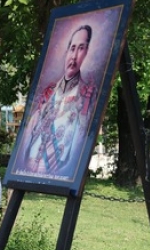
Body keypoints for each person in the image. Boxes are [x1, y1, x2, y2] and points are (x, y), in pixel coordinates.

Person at [20, 24, 97, 178]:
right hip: (29, 164)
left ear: (87, 52)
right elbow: (29, 131)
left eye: (81, 48)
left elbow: (80, 139)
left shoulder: (86, 95)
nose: (74, 56)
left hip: (55, 170)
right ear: (67, 51)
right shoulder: (49, 91)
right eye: (72, 48)